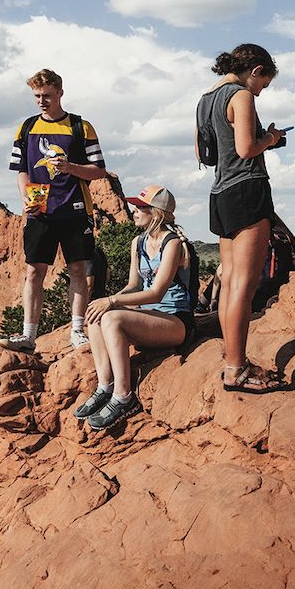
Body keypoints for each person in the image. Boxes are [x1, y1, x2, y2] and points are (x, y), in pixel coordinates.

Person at [196, 44, 289, 393]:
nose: (262, 89)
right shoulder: (241, 95)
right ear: (256, 69)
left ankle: (233, 361)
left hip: (219, 194)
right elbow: (246, 149)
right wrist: (272, 138)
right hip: (247, 189)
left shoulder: (205, 99)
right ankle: (236, 370)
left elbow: (203, 153)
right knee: (244, 286)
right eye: (264, 81)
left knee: (231, 281)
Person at [5, 68, 118, 353]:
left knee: (78, 269)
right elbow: (20, 169)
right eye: (37, 96)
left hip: (74, 208)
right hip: (39, 210)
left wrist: (70, 167)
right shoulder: (27, 127)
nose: (42, 101)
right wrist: (25, 197)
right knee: (34, 272)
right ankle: (29, 336)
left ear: (60, 93)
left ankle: (77, 331)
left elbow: (98, 170)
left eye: (47, 96)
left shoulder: (81, 127)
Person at [71, 185, 197, 435]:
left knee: (112, 318)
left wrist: (112, 302)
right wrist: (107, 300)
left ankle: (124, 396)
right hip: (150, 318)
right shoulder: (137, 242)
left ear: (157, 212)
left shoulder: (171, 243)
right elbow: (134, 285)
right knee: (97, 316)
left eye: (141, 207)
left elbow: (156, 293)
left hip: (175, 321)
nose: (134, 211)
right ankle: (105, 387)